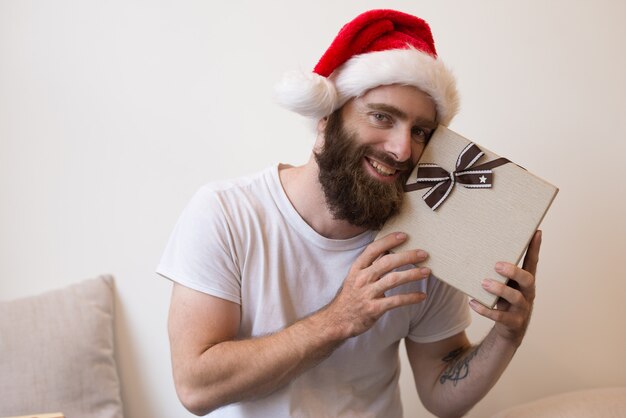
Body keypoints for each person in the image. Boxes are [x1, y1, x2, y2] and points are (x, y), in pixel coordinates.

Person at [157, 9, 542, 418]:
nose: (402, 150)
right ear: (326, 117)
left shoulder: (424, 239)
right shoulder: (227, 213)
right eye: (381, 116)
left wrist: (505, 336)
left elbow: (438, 394)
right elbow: (195, 388)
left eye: (420, 131)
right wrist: (339, 319)